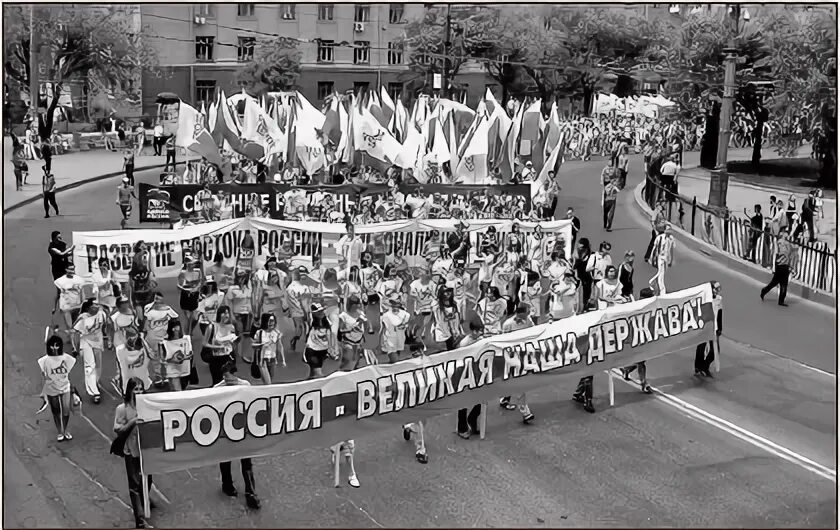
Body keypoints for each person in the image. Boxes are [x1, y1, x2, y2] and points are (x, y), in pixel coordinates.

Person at [214, 360, 261, 509]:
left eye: (230, 378)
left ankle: (250, 492)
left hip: (242, 429)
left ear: (236, 375)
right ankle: (227, 484)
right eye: (225, 378)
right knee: (225, 459)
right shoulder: (217, 389)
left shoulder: (245, 386)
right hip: (225, 430)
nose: (228, 381)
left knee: (246, 461)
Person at [113, 377, 153, 529]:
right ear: (129, 390)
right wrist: (133, 421)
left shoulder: (147, 405)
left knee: (147, 480)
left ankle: (144, 501)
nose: (139, 391)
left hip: (146, 449)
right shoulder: (122, 409)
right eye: (136, 389)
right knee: (134, 485)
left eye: (141, 388)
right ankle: (140, 518)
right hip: (131, 450)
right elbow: (117, 428)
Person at [39, 334, 76, 442]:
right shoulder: (44, 360)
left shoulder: (66, 358)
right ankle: (60, 431)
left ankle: (65, 429)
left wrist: (73, 389)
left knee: (66, 411)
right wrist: (44, 392)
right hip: (51, 388)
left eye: (57, 345)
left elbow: (69, 374)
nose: (55, 348)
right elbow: (44, 377)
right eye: (52, 346)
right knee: (56, 411)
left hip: (65, 387)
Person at [620, 287, 655, 393]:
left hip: (646, 336)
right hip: (636, 338)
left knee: (642, 360)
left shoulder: (649, 306)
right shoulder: (635, 308)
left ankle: (626, 370)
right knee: (641, 361)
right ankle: (644, 384)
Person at [760, 227, 796, 306]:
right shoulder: (779, 243)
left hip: (785, 266)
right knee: (774, 283)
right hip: (779, 265)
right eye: (785, 234)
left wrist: (791, 267)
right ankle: (764, 291)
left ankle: (781, 301)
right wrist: (774, 266)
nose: (786, 236)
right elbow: (775, 254)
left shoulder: (789, 245)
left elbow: (791, 256)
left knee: (784, 284)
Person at [694, 281, 722, 377]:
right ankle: (698, 366)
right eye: (716, 289)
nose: (718, 291)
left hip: (714, 328)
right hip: (704, 327)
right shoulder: (704, 299)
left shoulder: (719, 299)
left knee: (715, 351)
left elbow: (720, 313)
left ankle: (705, 366)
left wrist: (720, 328)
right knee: (701, 347)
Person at [379, 296, 411, 364]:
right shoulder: (386, 315)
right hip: (389, 338)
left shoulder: (405, 314)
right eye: (393, 303)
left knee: (397, 354)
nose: (395, 305)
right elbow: (383, 327)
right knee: (393, 357)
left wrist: (404, 326)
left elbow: (406, 323)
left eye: (397, 303)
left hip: (400, 337)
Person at [648, 224, 675, 295]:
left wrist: (671, 260)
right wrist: (651, 258)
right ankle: (662, 290)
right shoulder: (659, 238)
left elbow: (671, 250)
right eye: (667, 229)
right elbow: (654, 248)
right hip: (660, 258)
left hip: (666, 258)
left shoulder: (671, 239)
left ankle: (653, 282)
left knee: (661, 273)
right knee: (661, 273)